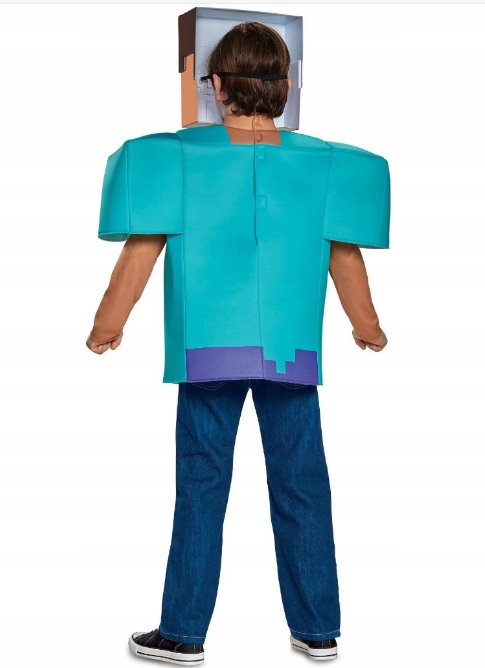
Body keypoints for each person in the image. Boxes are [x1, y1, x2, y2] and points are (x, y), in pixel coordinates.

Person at [87, 21, 388, 665]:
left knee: (200, 485)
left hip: (208, 351)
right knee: (303, 485)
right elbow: (345, 255)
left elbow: (140, 250)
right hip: (290, 353)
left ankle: (183, 632)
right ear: (287, 88)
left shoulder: (176, 157)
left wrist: (109, 323)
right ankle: (317, 630)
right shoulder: (324, 163)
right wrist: (367, 326)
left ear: (216, 85)